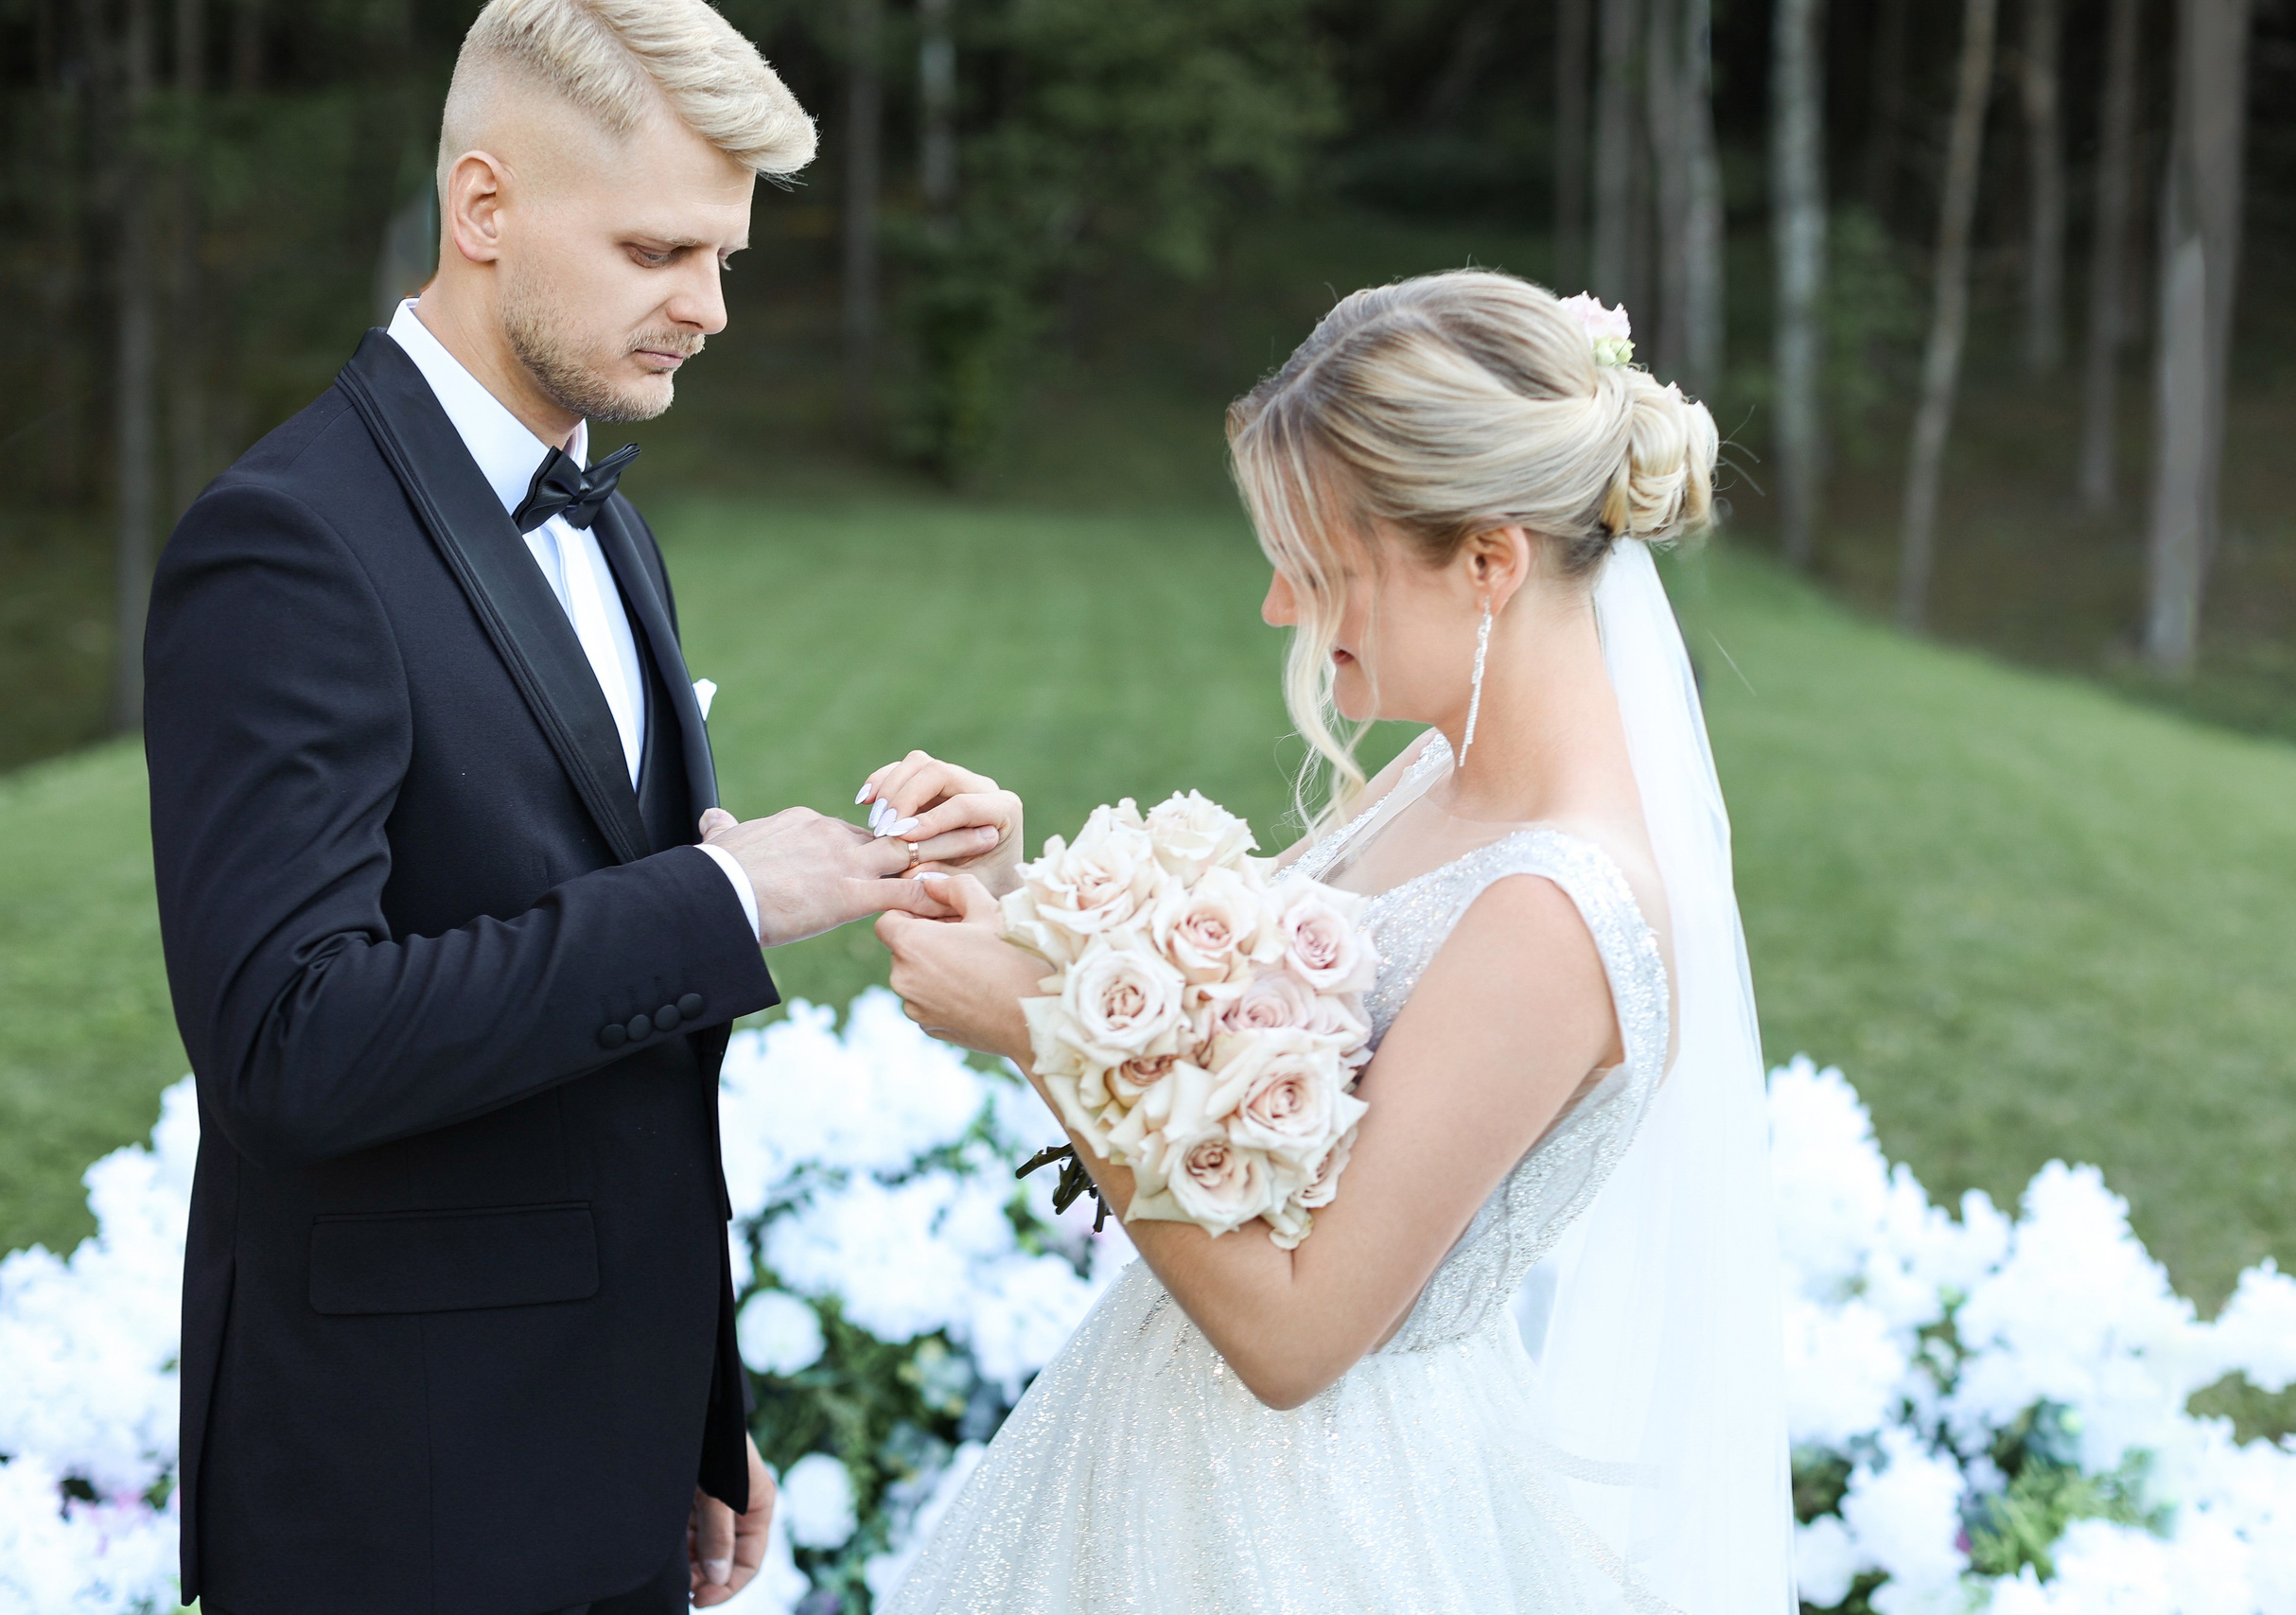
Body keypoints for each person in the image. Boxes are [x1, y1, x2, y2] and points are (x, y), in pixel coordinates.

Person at [143, 3, 969, 1609]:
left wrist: (692, 1414)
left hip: (606, 1456)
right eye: (661, 248)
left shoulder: (607, 519)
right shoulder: (285, 543)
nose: (710, 307)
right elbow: (286, 1046)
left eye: (725, 256)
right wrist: (723, 904)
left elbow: (610, 1043)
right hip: (403, 1502)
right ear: (484, 207)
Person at [869, 270, 1796, 1611]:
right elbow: (1234, 1062)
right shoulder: (1434, 777)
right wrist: (1025, 911)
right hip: (1168, 1445)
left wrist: (1041, 1031)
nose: (1278, 610)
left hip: (1316, 1515)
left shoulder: (1558, 911)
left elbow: (1300, 1332)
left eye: (1319, 568)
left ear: (1490, 561)